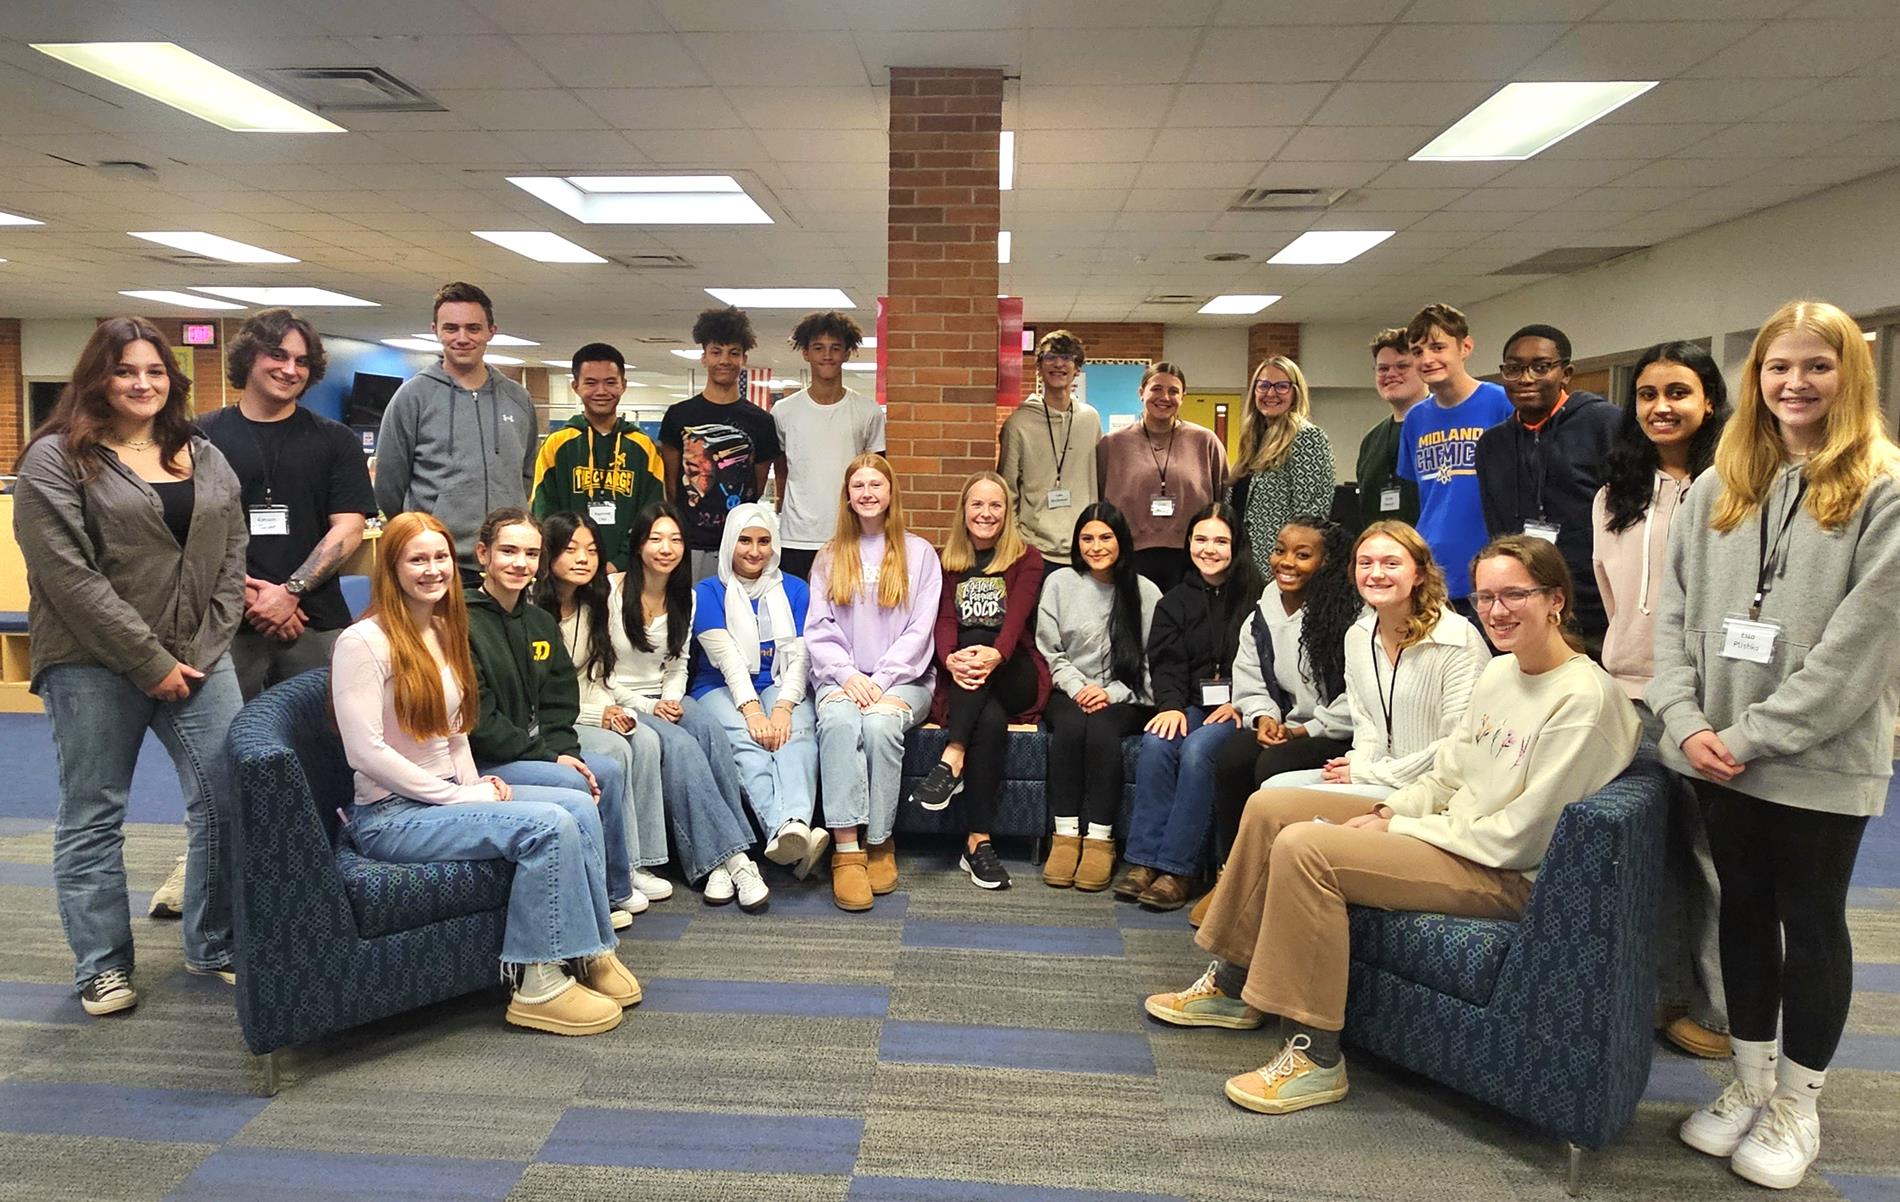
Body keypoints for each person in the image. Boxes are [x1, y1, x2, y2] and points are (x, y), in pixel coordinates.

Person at [1146, 535, 1638, 1117]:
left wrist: (1402, 830)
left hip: (1504, 871)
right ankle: (1234, 982)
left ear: (1556, 600)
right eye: (1485, 597)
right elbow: (1452, 770)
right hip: (1452, 833)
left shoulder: (1584, 700)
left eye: (1515, 595)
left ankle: (1315, 1055)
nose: (1497, 611)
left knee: (1308, 849)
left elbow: (1519, 838)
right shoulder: (1504, 673)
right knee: (1271, 808)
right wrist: (1390, 810)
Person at [1651, 300, 1900, 1192]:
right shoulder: (1719, 486)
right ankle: (1748, 1081)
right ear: (1756, 379)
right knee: (1743, 911)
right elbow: (1672, 618)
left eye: (1817, 367)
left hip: (1818, 756)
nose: (1795, 384)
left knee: (1813, 919)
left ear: (1851, 376)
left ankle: (1799, 1100)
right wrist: (1687, 724)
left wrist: (1750, 735)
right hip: (1713, 747)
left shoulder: (1885, 487)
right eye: (1778, 368)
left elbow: (1860, 653)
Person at [13, 317, 248, 1015]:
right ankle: (102, 966)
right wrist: (149, 662)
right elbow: (67, 577)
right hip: (90, 662)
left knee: (227, 797)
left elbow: (231, 553)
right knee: (93, 814)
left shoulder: (199, 451)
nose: (142, 384)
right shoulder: (55, 460)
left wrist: (203, 646)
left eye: (153, 371)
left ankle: (213, 942)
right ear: (97, 379)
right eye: (125, 371)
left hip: (200, 659)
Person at [332, 512, 638, 1036]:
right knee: (548, 826)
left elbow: (455, 732)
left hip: (442, 796)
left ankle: (588, 949)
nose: (432, 570)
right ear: (391, 565)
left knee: (579, 804)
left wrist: (472, 785)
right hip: (388, 816)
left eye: (440, 558)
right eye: (417, 559)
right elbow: (366, 753)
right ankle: (537, 982)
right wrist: (458, 799)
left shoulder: (442, 629)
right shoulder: (364, 641)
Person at [1592, 341, 1732, 1061]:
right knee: (1656, 854)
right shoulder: (1615, 494)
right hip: (1629, 698)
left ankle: (1724, 1008)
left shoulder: (1737, 487)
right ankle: (1671, 986)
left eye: (1678, 392)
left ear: (1708, 400)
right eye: (1647, 394)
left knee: (1712, 860)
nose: (1661, 407)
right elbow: (1613, 594)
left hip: (1705, 705)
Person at [462, 508, 643, 929]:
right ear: (483, 554)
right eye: (508, 551)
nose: (519, 563)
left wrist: (564, 749)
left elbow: (560, 702)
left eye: (530, 553)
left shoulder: (540, 622)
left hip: (536, 749)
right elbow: (480, 722)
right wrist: (551, 758)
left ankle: (614, 888)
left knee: (608, 770)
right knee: (573, 780)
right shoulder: (463, 622)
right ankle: (592, 901)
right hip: (486, 759)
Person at [201, 307, 373, 700]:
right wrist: (253, 598)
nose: (290, 369)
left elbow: (348, 527)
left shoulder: (336, 440)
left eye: (302, 361)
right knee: (227, 745)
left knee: (321, 743)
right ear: (249, 357)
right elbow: (187, 534)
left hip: (314, 621)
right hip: (227, 622)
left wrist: (291, 591)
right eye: (277, 355)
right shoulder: (200, 437)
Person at [607, 502, 769, 911]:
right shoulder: (610, 593)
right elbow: (602, 673)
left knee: (710, 730)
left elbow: (678, 663)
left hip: (666, 696)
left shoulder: (686, 597)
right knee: (679, 747)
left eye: (676, 539)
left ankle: (718, 867)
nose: (667, 548)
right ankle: (736, 859)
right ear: (639, 543)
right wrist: (647, 705)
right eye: (656, 538)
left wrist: (671, 699)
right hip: (622, 700)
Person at [1262, 521, 1489, 799]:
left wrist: (1365, 773)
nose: (1376, 574)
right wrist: (1361, 767)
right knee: (1271, 789)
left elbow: (1457, 749)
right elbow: (1366, 729)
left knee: (1278, 804)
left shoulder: (1457, 638)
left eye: (1391, 564)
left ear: (1418, 574)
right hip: (1379, 778)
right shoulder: (1358, 637)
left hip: (1437, 789)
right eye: (1365, 563)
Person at [807, 454, 943, 912]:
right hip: (839, 675)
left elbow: (920, 630)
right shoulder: (829, 554)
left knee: (881, 726)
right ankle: (847, 849)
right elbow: (819, 628)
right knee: (842, 724)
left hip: (905, 679)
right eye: (858, 486)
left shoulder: (920, 553)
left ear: (890, 493)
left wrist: (880, 679)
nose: (867, 493)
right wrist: (848, 675)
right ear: (848, 496)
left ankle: (881, 840)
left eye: (876, 485)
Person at [1115, 503, 1265, 910]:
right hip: (1195, 704)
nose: (1209, 549)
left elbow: (1267, 665)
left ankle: (1178, 870)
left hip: (1246, 707)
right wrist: (1170, 706)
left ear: (1236, 546)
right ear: (1189, 544)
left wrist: (1241, 703)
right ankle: (1144, 861)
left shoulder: (1259, 597)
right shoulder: (1175, 601)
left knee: (1198, 751)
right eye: (1201, 539)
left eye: (1220, 540)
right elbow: (1165, 664)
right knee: (1158, 742)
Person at [909, 472, 1050, 891]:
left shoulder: (1028, 557)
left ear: (1007, 512)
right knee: (987, 721)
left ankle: (952, 757)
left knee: (983, 638)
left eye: (995, 505)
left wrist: (994, 655)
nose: (986, 513)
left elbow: (1016, 618)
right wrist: (950, 660)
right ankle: (978, 842)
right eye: (977, 505)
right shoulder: (947, 559)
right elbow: (945, 619)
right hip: (969, 677)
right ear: (964, 511)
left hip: (1014, 671)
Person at [1204, 514, 1358, 888]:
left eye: (1302, 555)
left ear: (1326, 563)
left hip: (1338, 731)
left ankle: (1269, 879)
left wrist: (1304, 730)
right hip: (1286, 724)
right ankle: (1232, 876)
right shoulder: (1264, 609)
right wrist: (1263, 717)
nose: (1285, 562)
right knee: (1232, 757)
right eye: (1279, 550)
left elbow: (1359, 694)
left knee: (1274, 764)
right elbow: (1250, 676)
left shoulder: (1351, 615)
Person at [534, 512, 674, 911]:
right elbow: (547, 696)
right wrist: (599, 716)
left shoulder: (592, 605)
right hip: (553, 720)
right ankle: (622, 865)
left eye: (592, 550)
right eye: (571, 549)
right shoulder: (532, 610)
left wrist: (611, 707)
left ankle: (643, 860)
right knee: (616, 752)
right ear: (549, 553)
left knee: (644, 738)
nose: (583, 559)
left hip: (588, 706)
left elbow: (594, 677)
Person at [690, 503, 825, 879]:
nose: (754, 551)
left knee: (797, 733)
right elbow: (729, 660)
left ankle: (794, 824)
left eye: (764, 541)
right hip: (718, 686)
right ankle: (784, 829)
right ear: (730, 542)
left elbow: (800, 657)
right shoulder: (708, 591)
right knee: (746, 740)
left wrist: (783, 707)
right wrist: (753, 711)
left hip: (781, 682)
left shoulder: (796, 590)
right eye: (745, 541)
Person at [374, 281, 540, 578]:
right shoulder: (412, 397)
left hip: (507, 562)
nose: (462, 338)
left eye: (473, 328)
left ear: (491, 331)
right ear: (435, 330)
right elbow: (389, 486)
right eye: (451, 328)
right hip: (439, 564)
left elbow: (524, 475)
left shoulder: (518, 399)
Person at [1036, 502, 1162, 892]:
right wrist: (1079, 689)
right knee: (1072, 728)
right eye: (1086, 538)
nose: (1095, 546)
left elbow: (1148, 665)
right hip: (1067, 690)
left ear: (1121, 540)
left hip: (1126, 697)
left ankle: (1099, 840)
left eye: (1105, 537)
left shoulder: (1146, 592)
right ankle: (1066, 835)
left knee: (1103, 731)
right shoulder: (1058, 584)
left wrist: (1107, 694)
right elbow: (1049, 650)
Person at [1476, 324, 1619, 646]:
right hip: (1520, 609)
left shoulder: (1604, 425)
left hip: (1594, 610)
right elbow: (1496, 529)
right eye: (1513, 369)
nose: (1526, 379)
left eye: (1540, 367)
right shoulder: (1492, 444)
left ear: (1565, 373)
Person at [1395, 303, 1514, 608]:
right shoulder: (1415, 418)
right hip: (1432, 568)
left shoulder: (1500, 403)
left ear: (1466, 347)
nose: (1427, 359)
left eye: (1438, 347)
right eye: (1418, 351)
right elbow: (1422, 495)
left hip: (1488, 568)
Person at [658, 306, 781, 579]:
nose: (724, 360)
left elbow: (757, 485)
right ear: (704, 357)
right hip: (689, 543)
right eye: (716, 352)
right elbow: (670, 482)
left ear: (744, 359)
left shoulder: (761, 421)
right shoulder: (679, 415)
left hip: (740, 546)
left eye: (733, 353)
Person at [530, 342, 664, 574]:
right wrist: (570, 558)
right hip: (568, 569)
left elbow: (651, 513)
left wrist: (619, 563)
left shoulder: (643, 447)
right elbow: (544, 512)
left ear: (623, 385)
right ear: (575, 386)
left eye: (610, 382)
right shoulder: (556, 444)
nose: (601, 391)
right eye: (591, 383)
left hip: (627, 572)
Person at [772, 311, 886, 580]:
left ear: (847, 353)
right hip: (796, 538)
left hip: (850, 534)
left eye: (835, 348)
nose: (827, 355)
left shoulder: (867, 411)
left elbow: (878, 474)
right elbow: (781, 468)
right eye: (818, 348)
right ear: (806, 354)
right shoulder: (784, 411)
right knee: (798, 616)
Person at [1096, 361, 1228, 592]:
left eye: (1173, 391)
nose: (1164, 397)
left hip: (1191, 558)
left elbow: (1224, 500)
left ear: (1183, 396)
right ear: (1141, 393)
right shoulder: (1112, 444)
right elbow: (1098, 499)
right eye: (1156, 389)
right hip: (1130, 556)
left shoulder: (1205, 441)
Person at [998, 329, 1102, 570]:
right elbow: (1008, 490)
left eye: (1067, 358)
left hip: (1083, 548)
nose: (1058, 364)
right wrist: (1017, 544)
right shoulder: (1019, 424)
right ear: (1039, 367)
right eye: (1050, 357)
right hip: (1033, 550)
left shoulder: (1090, 419)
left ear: (1077, 369)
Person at [1228, 356, 1335, 563]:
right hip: (1242, 563)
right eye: (1264, 385)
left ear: (1296, 392)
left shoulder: (1307, 437)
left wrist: (1289, 561)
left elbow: (1311, 517)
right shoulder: (1253, 440)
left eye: (1282, 386)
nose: (1271, 393)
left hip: (1280, 564)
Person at [1354, 327, 1425, 531]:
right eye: (1383, 369)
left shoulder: (1442, 429)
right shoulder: (1372, 440)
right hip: (1382, 552)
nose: (1391, 374)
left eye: (1402, 366)